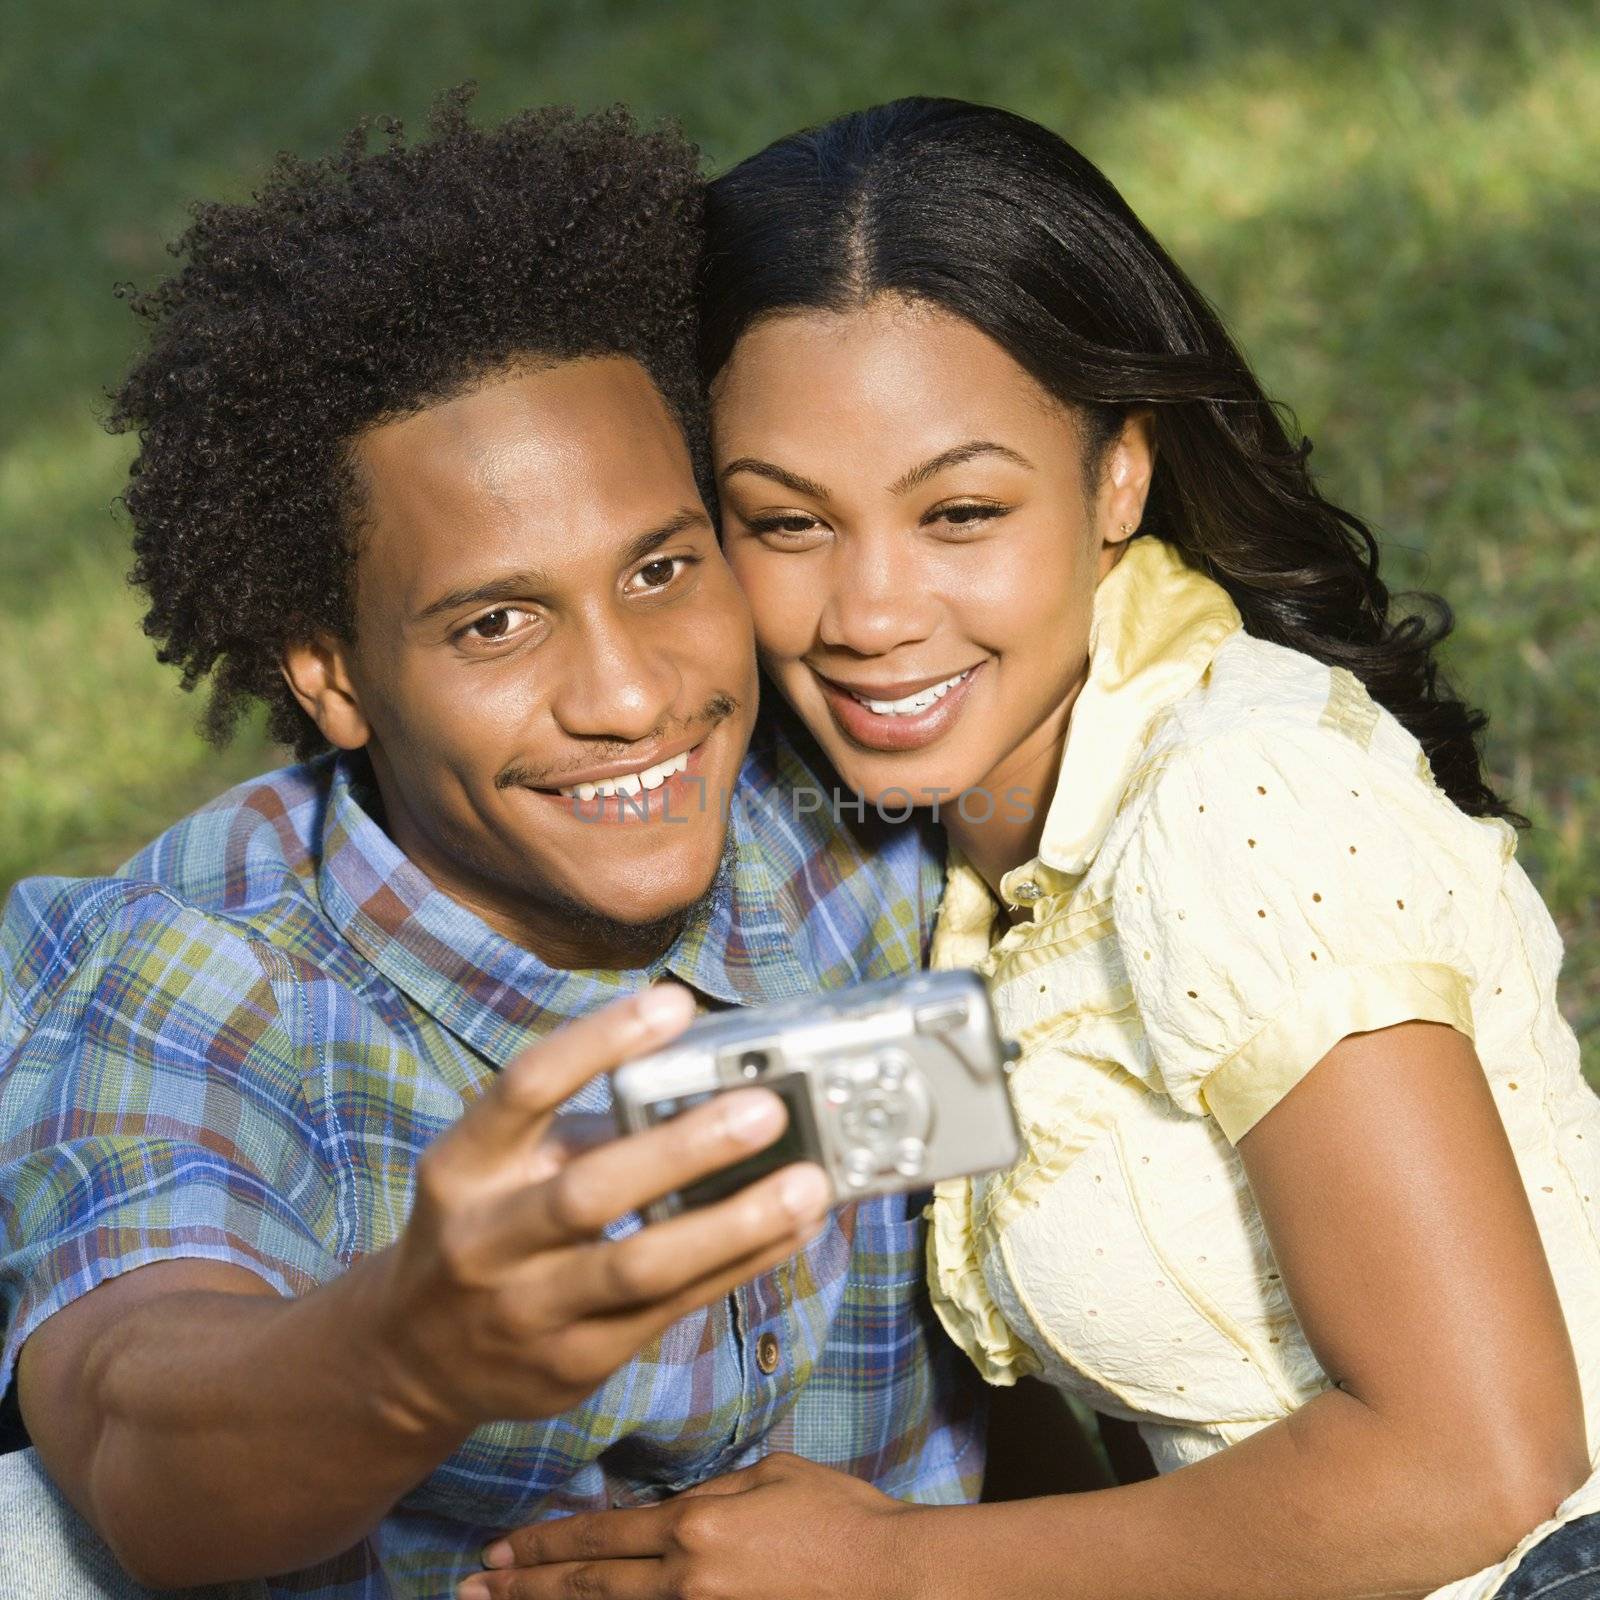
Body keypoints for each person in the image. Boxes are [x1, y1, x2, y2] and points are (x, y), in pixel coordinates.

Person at [475, 98, 1600, 1600]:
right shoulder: (941, 857)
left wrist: (890, 1573)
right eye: (788, 525)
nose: (872, 612)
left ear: (1118, 476)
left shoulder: (1235, 801)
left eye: (960, 510)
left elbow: (1482, 1466)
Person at [0, 95, 984, 1598]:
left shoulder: (856, 809)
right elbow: (138, 1434)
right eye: (496, 623)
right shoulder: (209, 977)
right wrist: (414, 1348)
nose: (631, 696)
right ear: (329, 674)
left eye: (662, 569)